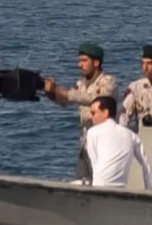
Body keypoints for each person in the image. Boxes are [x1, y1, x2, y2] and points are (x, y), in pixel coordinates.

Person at [43, 43, 118, 181]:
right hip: (86, 140)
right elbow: (66, 101)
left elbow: (93, 99)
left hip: (105, 142)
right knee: (82, 179)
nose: (79, 65)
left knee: (102, 180)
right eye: (79, 61)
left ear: (96, 63)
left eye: (84, 60)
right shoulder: (80, 84)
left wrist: (60, 91)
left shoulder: (108, 82)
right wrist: (51, 94)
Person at [83, 95, 150, 190]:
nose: (90, 116)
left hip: (100, 184)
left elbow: (94, 163)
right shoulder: (131, 135)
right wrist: (149, 189)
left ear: (105, 112)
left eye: (93, 113)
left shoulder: (92, 132)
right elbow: (146, 165)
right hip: (121, 185)